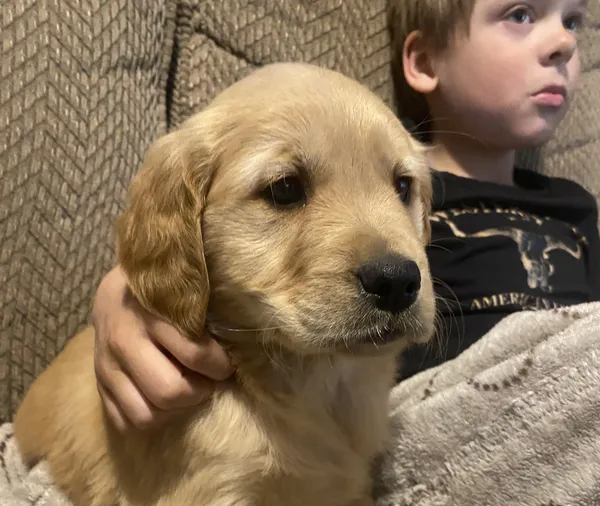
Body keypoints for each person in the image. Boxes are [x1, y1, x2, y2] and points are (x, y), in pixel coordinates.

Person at [92, 0, 599, 431]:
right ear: (423, 59)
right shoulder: (367, 146)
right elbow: (190, 236)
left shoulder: (574, 205)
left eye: (574, 20)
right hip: (435, 425)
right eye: (521, 14)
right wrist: (126, 294)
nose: (563, 42)